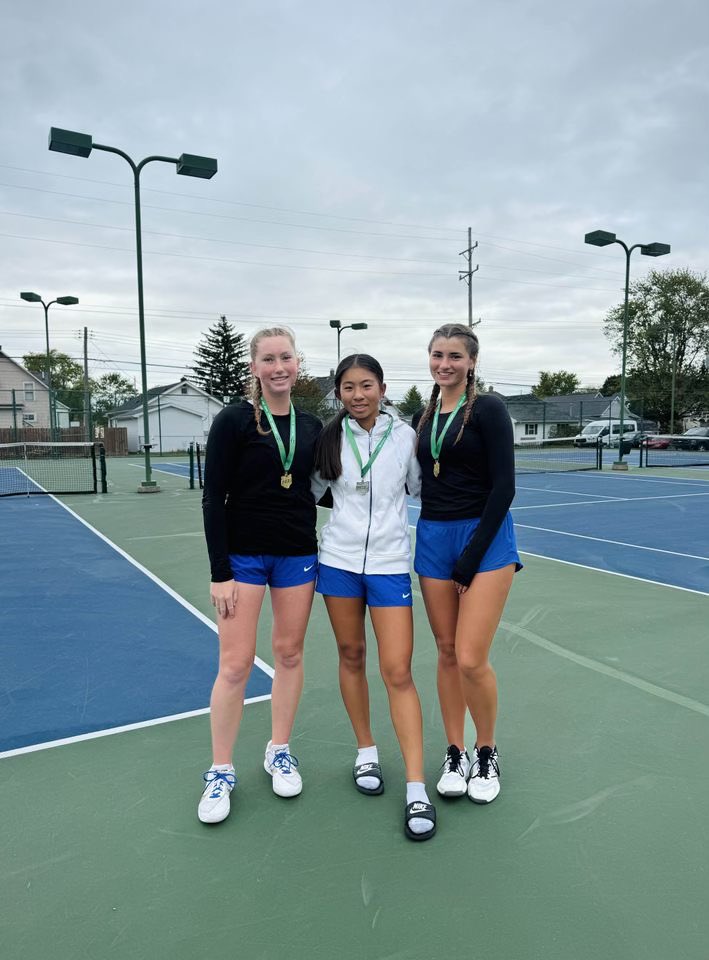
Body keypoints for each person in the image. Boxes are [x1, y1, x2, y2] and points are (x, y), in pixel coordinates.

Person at [198, 326, 323, 824]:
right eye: (268, 359)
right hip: (243, 558)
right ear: (254, 367)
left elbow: (321, 487)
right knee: (235, 664)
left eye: (286, 358)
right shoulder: (232, 421)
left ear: (297, 364)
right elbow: (213, 498)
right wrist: (219, 571)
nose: (278, 367)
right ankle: (221, 769)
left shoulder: (312, 425)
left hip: (297, 554)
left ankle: (278, 749)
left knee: (289, 654)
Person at [312, 354, 436, 841]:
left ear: (382, 388)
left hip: (388, 565)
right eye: (347, 387)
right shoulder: (328, 438)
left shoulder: (405, 437)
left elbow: (422, 488)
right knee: (350, 654)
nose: (357, 395)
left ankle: (416, 786)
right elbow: (314, 491)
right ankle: (366, 751)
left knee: (398, 670)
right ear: (338, 393)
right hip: (338, 562)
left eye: (366, 385)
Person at [412, 323, 521, 805]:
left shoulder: (490, 409)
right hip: (433, 536)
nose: (445, 364)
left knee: (472, 656)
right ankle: (454, 751)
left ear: (472, 362)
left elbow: (504, 488)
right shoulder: (425, 414)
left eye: (455, 355)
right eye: (438, 355)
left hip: (485, 538)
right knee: (446, 651)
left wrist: (470, 559)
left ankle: (486, 750)